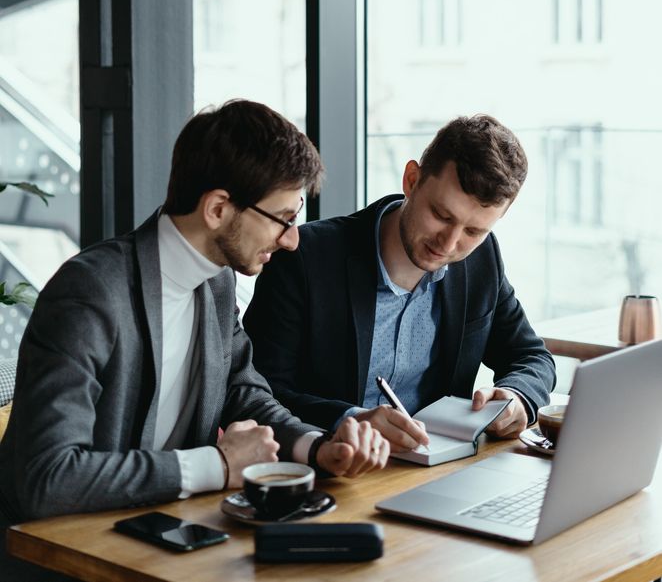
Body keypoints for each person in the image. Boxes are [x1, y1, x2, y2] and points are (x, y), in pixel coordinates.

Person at [0, 100, 389, 537]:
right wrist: (218, 464)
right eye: (283, 219)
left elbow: (244, 393)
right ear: (218, 209)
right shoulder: (91, 293)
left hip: (168, 535)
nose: (293, 240)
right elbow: (46, 479)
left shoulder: (216, 284)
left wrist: (319, 447)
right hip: (65, 553)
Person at [244, 114, 556, 454]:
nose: (449, 244)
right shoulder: (304, 259)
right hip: (331, 469)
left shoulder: (482, 260)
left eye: (473, 231)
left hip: (439, 469)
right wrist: (349, 419)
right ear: (412, 180)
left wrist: (516, 398)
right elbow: (260, 390)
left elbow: (531, 356)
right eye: (441, 215)